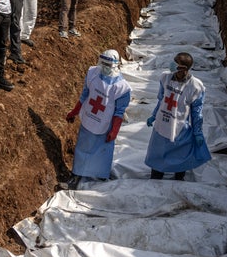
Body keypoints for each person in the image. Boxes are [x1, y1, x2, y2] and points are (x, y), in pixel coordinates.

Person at [64, 50, 131, 189]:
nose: (105, 67)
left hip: (105, 125)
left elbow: (119, 112)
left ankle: (99, 177)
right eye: (103, 63)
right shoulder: (92, 73)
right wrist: (74, 112)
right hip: (89, 119)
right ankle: (77, 174)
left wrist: (114, 131)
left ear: (116, 65)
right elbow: (84, 96)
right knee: (82, 148)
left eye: (108, 64)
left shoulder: (122, 88)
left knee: (102, 152)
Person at [145, 52, 210, 180]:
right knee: (158, 156)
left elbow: (197, 113)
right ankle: (156, 179)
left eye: (176, 63)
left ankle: (178, 180)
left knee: (180, 158)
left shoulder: (195, 87)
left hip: (180, 128)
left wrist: (197, 132)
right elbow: (161, 100)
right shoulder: (165, 78)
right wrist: (154, 115)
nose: (172, 65)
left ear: (183, 68)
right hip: (161, 125)